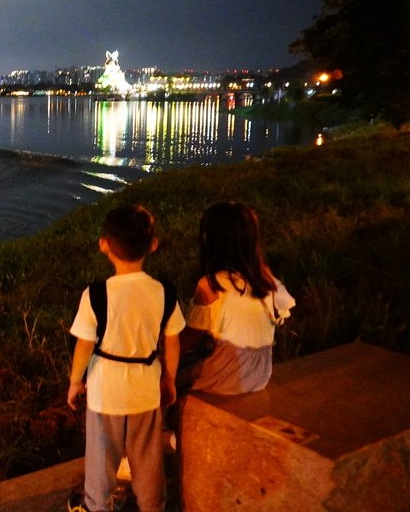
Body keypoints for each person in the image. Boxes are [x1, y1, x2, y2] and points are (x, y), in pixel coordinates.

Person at [67, 204, 185, 512]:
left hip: (105, 393)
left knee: (101, 459)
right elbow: (172, 342)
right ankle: (152, 505)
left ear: (103, 244)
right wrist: (169, 378)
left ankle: (95, 505)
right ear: (153, 245)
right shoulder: (164, 292)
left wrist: (75, 381)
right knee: (147, 460)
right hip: (145, 390)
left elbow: (83, 346)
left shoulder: (95, 294)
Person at [177, 201, 295, 394]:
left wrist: (166, 354)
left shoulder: (210, 284)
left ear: (208, 239)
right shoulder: (266, 280)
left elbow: (191, 336)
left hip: (227, 373)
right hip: (260, 373)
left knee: (159, 379)